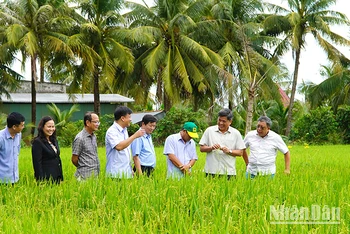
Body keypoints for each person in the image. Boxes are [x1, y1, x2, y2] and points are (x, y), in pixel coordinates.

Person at [199, 108, 246, 180]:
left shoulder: (236, 133)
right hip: (211, 171)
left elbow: (240, 152)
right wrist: (211, 148)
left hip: (229, 172)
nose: (220, 123)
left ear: (230, 122)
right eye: (219, 120)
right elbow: (201, 148)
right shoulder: (209, 131)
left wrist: (229, 151)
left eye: (224, 121)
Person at [105, 106, 145, 179]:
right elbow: (119, 147)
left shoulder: (124, 130)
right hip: (115, 174)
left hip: (126, 173)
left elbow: (126, 152)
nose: (131, 119)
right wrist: (134, 136)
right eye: (129, 117)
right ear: (122, 118)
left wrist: (129, 169)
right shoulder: (112, 131)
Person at [32, 116, 63, 184]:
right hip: (46, 178)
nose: (51, 129)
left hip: (56, 177)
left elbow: (58, 159)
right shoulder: (38, 142)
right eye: (49, 127)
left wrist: (61, 177)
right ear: (42, 127)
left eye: (53, 126)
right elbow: (37, 163)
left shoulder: (54, 140)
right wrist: (40, 181)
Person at [72, 112, 100, 180]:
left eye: (98, 122)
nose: (97, 124)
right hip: (84, 177)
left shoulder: (94, 136)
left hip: (95, 175)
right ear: (87, 123)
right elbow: (74, 159)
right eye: (95, 122)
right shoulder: (80, 138)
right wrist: (83, 167)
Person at [0, 112, 25, 184]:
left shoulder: (19, 134)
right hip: (2, 180)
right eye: (22, 125)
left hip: (14, 178)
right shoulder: (1, 138)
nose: (23, 127)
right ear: (14, 127)